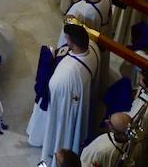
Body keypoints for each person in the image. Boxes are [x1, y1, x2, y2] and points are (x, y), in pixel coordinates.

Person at [27, 23, 98, 162]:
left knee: (58, 131)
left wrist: (49, 61)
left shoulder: (66, 73)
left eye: (67, 39)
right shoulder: (93, 49)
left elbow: (52, 90)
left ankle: (50, 157)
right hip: (78, 99)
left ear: (71, 43)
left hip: (63, 111)